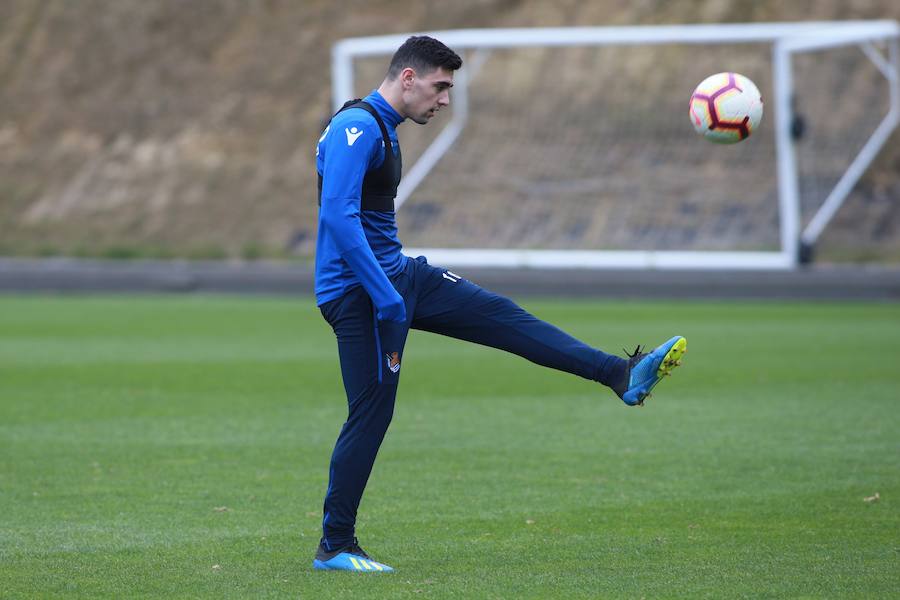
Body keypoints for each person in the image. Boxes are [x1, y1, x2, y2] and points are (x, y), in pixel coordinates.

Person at [312, 35, 686, 573]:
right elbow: (338, 218)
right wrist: (386, 297)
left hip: (399, 277)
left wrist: (396, 287)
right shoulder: (357, 127)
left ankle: (619, 374)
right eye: (440, 87)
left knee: (502, 316)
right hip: (362, 294)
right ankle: (336, 546)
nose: (444, 100)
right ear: (408, 78)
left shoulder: (381, 128)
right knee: (372, 413)